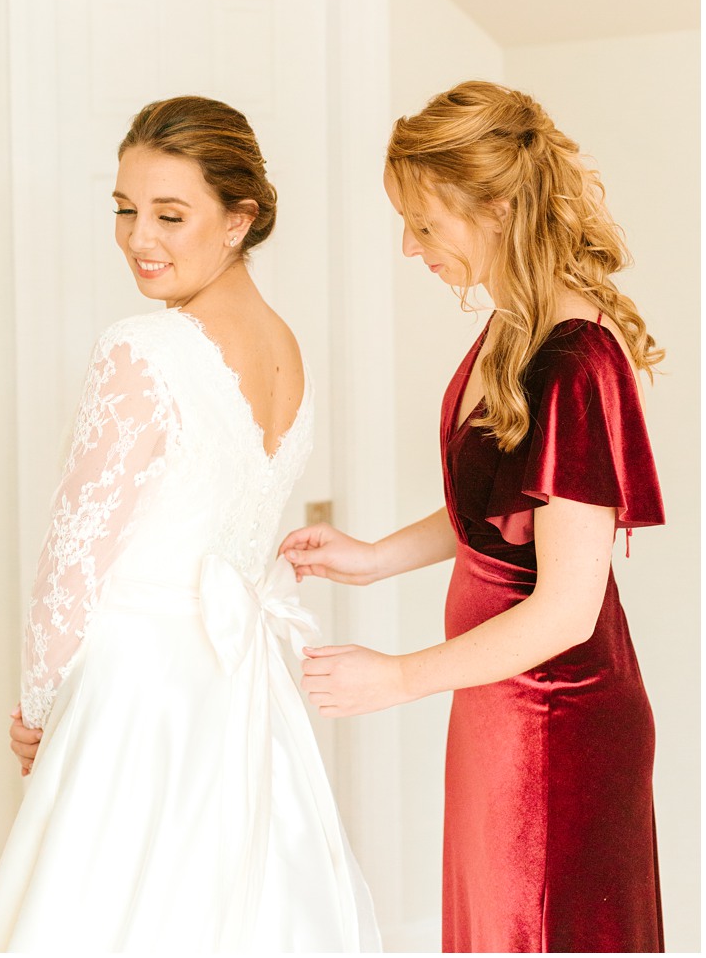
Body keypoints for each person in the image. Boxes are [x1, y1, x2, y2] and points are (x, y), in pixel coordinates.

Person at [0, 97, 380, 952]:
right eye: (124, 209)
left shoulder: (142, 347)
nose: (137, 238)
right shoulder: (286, 347)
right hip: (239, 688)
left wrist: (42, 712)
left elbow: (74, 552)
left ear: (240, 219)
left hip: (138, 688)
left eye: (169, 214)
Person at [280, 80, 665, 952]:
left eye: (424, 223)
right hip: (499, 706)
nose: (410, 247)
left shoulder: (575, 358)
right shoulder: (513, 325)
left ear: (494, 207)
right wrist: (373, 556)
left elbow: (568, 606)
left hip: (556, 719)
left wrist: (400, 676)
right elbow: (501, 511)